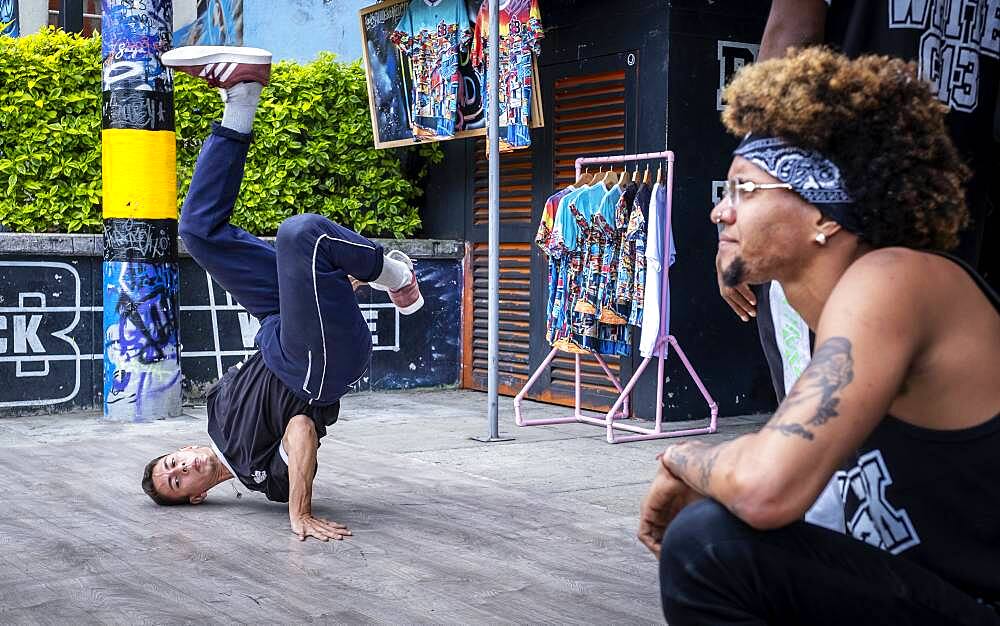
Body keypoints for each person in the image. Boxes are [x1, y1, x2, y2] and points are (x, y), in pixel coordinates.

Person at [639, 48, 1000, 624]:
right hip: (930, 593)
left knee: (709, 546)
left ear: (823, 215)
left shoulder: (894, 279)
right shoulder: (822, 319)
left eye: (743, 191)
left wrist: (684, 456)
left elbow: (765, 487)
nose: (718, 213)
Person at [140, 46, 424, 542]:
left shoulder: (214, 411)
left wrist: (330, 290)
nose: (182, 467)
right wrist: (299, 511)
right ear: (198, 495)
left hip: (284, 327)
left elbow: (307, 320)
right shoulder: (260, 475)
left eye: (172, 462)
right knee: (300, 234)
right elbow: (302, 432)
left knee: (198, 232)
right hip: (313, 371)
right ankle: (394, 275)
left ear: (177, 447)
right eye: (179, 481)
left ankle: (242, 95)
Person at [720, 0, 1000, 402]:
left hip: (830, 220)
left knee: (819, 432)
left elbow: (790, 39)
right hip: (949, 219)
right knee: (912, 412)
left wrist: (742, 210)